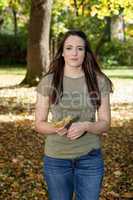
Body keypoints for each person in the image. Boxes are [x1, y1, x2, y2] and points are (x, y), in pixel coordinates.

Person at [35, 30, 113, 200]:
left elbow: (105, 122)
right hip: (56, 159)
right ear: (62, 52)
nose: (74, 53)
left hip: (90, 159)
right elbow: (39, 123)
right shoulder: (48, 81)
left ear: (86, 53)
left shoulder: (99, 81)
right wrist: (56, 127)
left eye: (80, 48)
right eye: (69, 48)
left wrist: (86, 125)